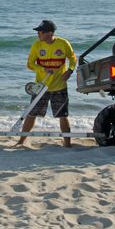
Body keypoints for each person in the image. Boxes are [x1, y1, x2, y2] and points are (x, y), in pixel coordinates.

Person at [16, 19, 77, 148]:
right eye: (38, 32)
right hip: (40, 86)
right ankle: (21, 141)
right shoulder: (37, 45)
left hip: (59, 86)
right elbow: (30, 64)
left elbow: (73, 58)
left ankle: (67, 144)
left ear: (50, 33)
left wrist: (70, 71)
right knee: (31, 114)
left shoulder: (63, 43)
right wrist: (42, 69)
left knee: (63, 115)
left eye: (40, 32)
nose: (38, 34)